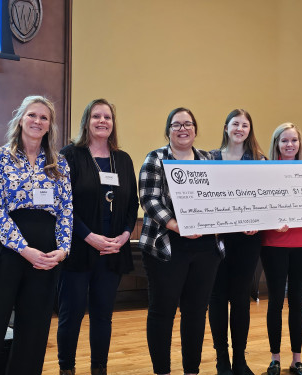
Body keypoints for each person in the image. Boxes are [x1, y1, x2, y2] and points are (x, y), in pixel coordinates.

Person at [0, 96, 73, 375]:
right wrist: (23, 248)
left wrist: (62, 250)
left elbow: (66, 210)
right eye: (32, 115)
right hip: (3, 249)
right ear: (21, 119)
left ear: (50, 126)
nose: (37, 121)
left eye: (44, 118)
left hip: (46, 254)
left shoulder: (59, 164)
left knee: (34, 331)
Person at [57, 99, 139, 375]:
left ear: (113, 123)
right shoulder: (70, 155)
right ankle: (66, 368)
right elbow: (63, 204)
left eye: (107, 117)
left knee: (103, 315)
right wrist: (89, 236)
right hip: (80, 249)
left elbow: (132, 205)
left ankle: (99, 369)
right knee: (72, 315)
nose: (102, 121)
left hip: (113, 251)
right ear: (87, 121)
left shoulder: (123, 159)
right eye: (96, 116)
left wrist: (125, 235)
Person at [139, 107, 223, 375]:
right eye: (176, 125)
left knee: (196, 312)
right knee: (162, 312)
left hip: (206, 248)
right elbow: (148, 200)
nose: (183, 129)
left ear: (195, 130)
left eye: (188, 124)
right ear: (168, 131)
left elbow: (223, 197)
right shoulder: (155, 158)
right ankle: (162, 370)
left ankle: (192, 370)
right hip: (166, 246)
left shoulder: (209, 160)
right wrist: (178, 226)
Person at [208, 109, 264, 375]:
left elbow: (267, 199)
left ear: (249, 129)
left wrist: (258, 221)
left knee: (241, 299)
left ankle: (240, 359)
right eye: (235, 124)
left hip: (248, 239)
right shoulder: (209, 158)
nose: (240, 128)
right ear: (226, 127)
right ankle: (222, 359)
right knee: (217, 297)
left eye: (245, 124)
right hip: (216, 240)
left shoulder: (260, 161)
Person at [260, 123, 302, 375]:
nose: (289, 145)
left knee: (296, 302)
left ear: (299, 144)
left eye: (294, 140)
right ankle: (275, 358)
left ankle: (297, 359)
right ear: (276, 144)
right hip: (274, 243)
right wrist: (272, 222)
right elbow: (260, 204)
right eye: (284, 141)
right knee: (275, 303)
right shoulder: (266, 170)